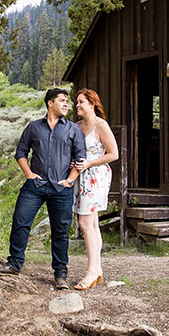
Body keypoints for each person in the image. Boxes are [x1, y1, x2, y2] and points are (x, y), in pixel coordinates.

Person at [0, 87, 86, 289]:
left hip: (61, 189)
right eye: (62, 100)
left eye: (67, 101)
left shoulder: (73, 129)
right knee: (20, 221)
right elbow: (21, 152)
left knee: (60, 231)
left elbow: (80, 158)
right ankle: (15, 263)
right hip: (35, 186)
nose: (66, 104)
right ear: (50, 103)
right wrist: (28, 173)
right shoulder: (33, 127)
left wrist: (69, 180)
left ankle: (60, 275)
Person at [73, 89, 119, 290]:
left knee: (85, 223)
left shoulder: (101, 125)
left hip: (95, 177)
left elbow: (113, 154)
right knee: (91, 224)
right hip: (79, 178)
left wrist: (90, 163)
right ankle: (97, 269)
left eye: (81, 102)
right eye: (76, 103)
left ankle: (91, 271)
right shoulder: (76, 127)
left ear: (92, 103)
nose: (77, 106)